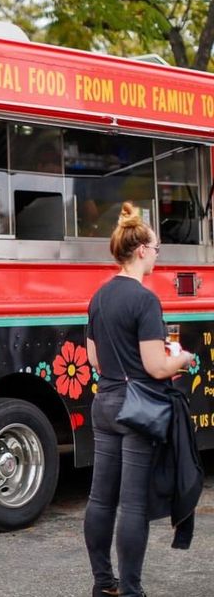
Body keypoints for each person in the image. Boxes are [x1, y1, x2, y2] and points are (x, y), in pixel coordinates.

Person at [84, 201, 195, 597]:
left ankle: (104, 585)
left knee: (101, 499)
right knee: (132, 506)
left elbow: (95, 359)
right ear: (142, 249)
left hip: (106, 401)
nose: (157, 257)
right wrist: (181, 359)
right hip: (138, 408)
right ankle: (130, 590)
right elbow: (155, 366)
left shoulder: (99, 297)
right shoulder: (145, 300)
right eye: (157, 249)